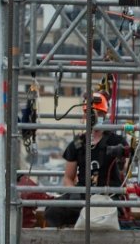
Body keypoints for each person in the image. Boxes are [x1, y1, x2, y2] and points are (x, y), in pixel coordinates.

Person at [45, 92, 131, 228]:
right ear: (84, 115)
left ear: (105, 115)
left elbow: (123, 171)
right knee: (52, 211)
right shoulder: (78, 144)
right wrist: (75, 196)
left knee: (106, 217)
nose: (95, 117)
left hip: (108, 195)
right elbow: (68, 177)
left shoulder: (117, 142)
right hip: (82, 194)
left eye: (99, 113)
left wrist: (121, 158)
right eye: (91, 113)